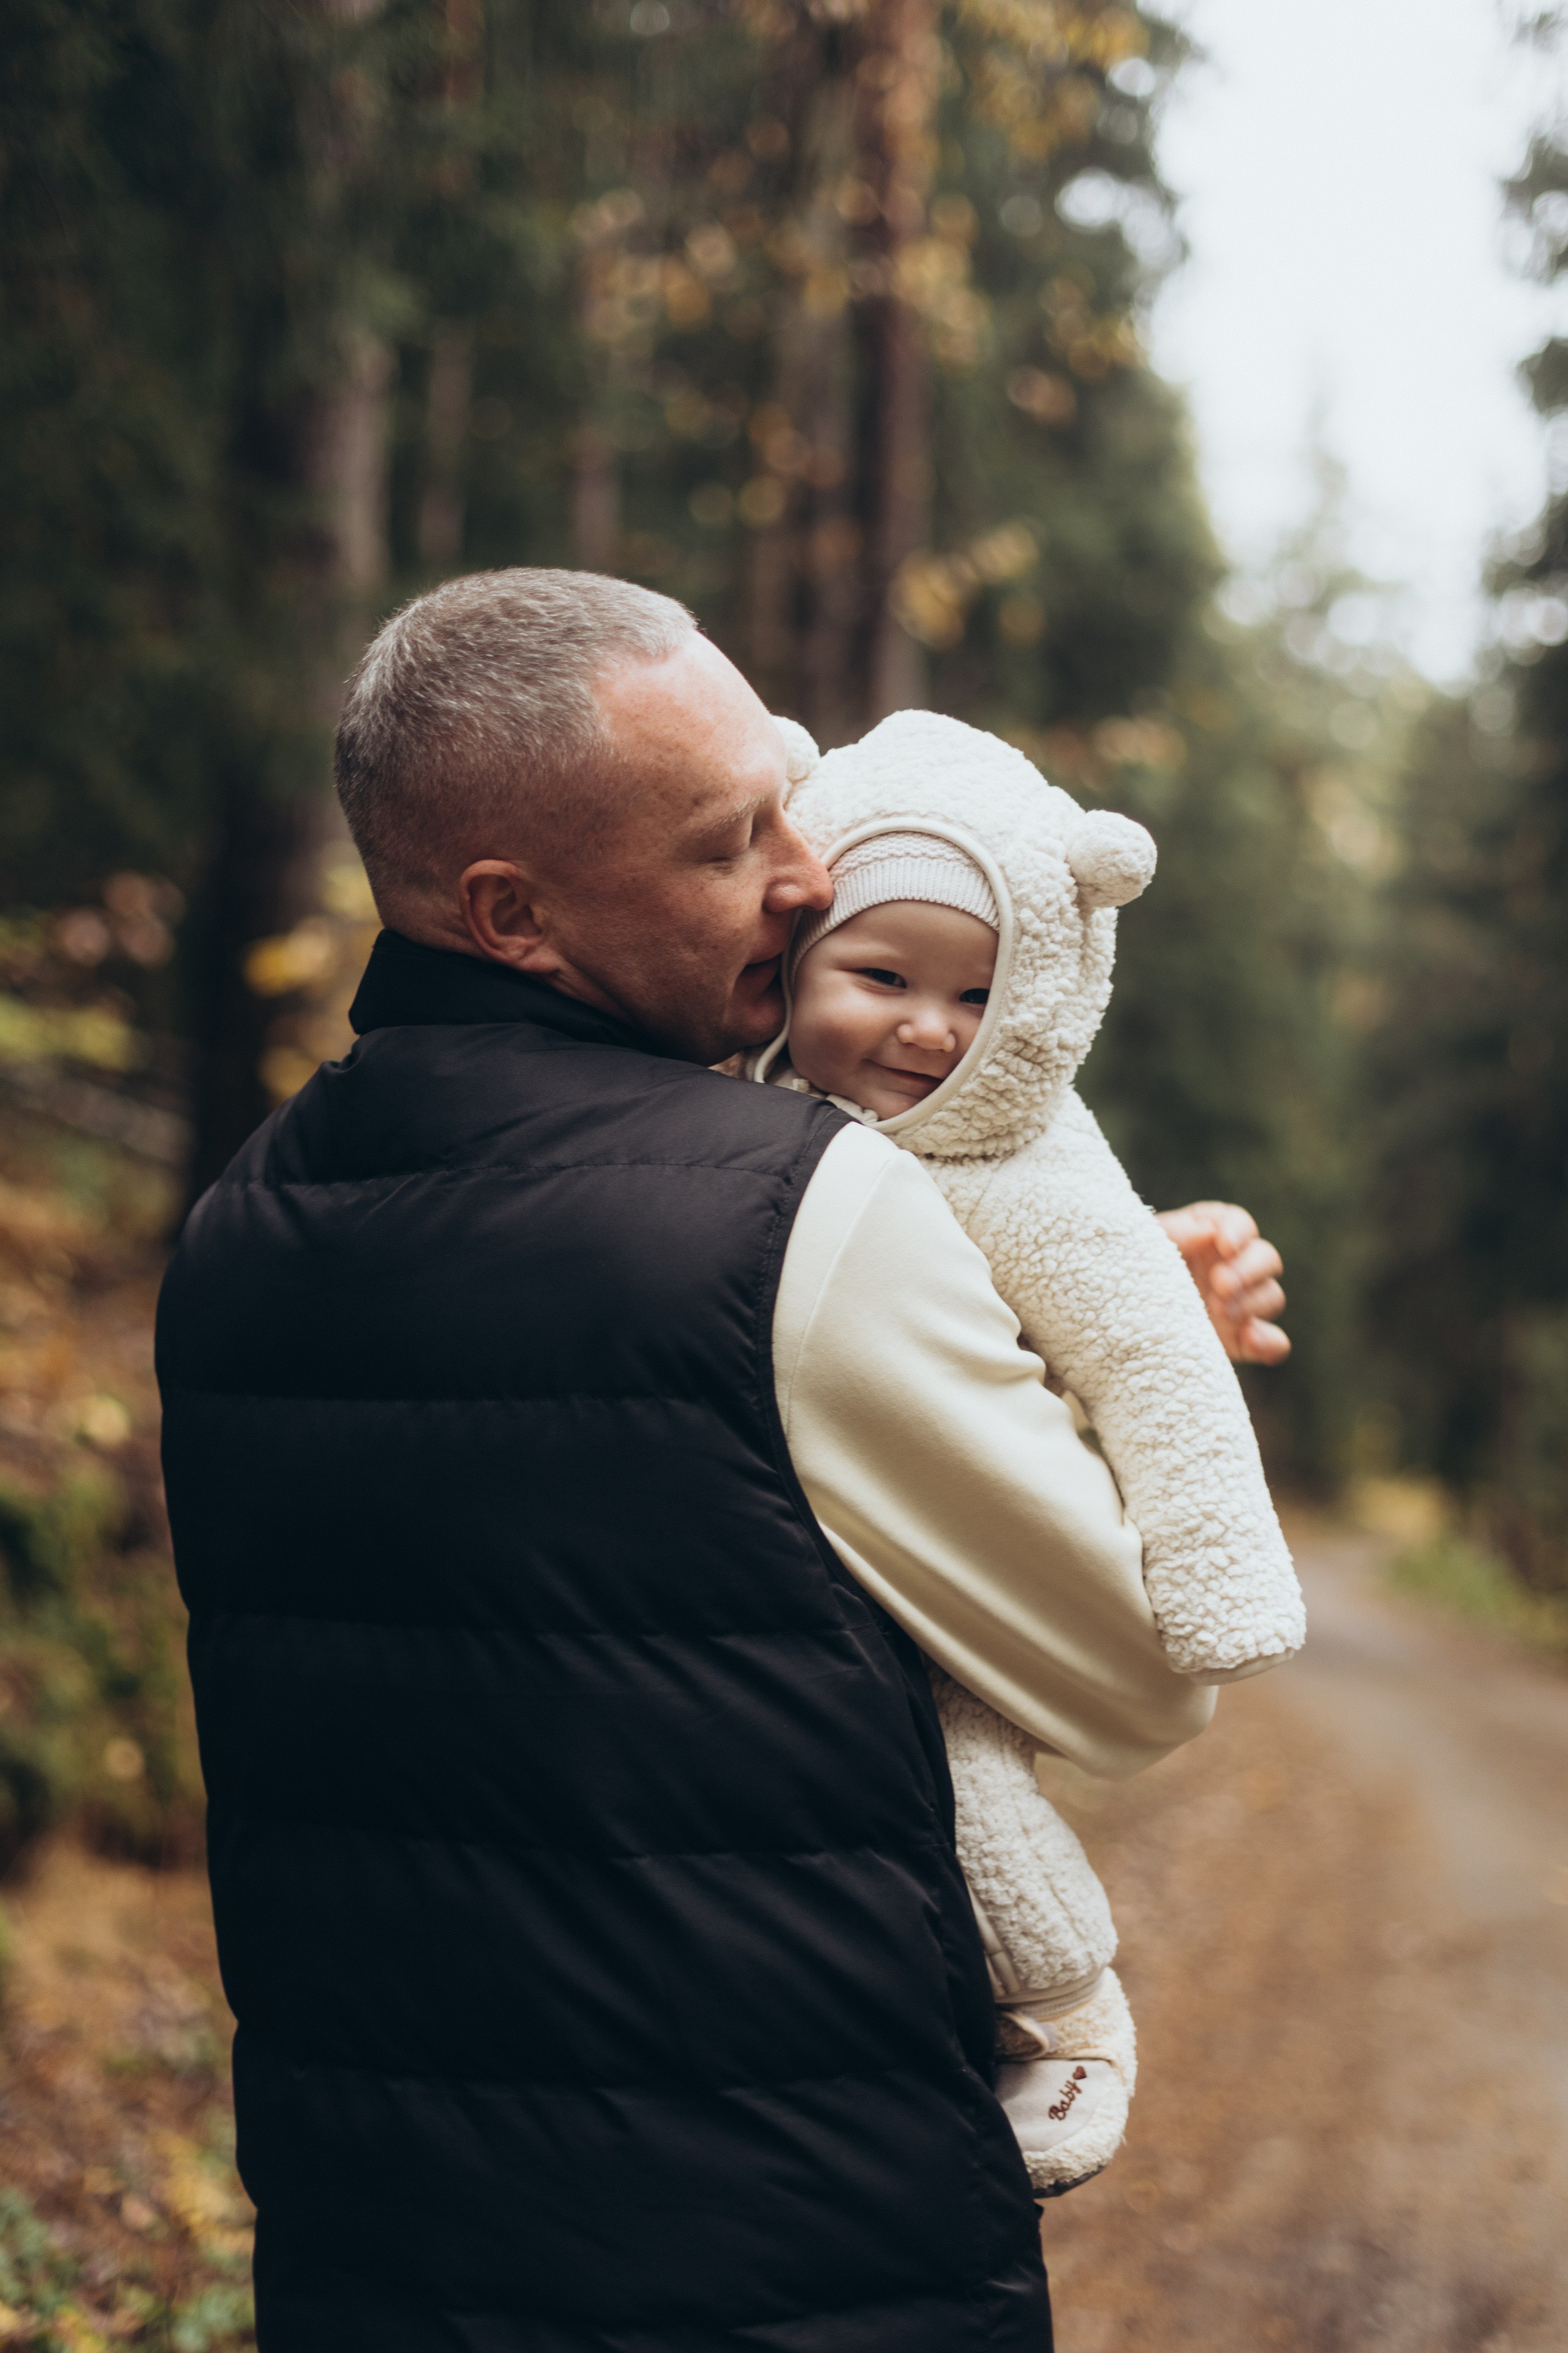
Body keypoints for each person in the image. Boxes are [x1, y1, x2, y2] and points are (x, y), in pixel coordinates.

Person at [156, 569, 1288, 2352]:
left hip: (372, 2251)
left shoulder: (243, 1224)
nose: (807, 875)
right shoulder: (798, 1216)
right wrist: (1117, 1364)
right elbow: (1136, 1675)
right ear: (513, 913)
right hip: (778, 2254)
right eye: (726, 842)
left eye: (786, 801)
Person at [747, 709, 1305, 2197]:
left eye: (979, 994)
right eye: (881, 977)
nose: (932, 1030)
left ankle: (1064, 2010)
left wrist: (1218, 1573)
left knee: (963, 1779)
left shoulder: (1037, 1167)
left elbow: (1146, 1355)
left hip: (936, 1602)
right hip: (788, 1594)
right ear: (792, 948)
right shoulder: (723, 1107)